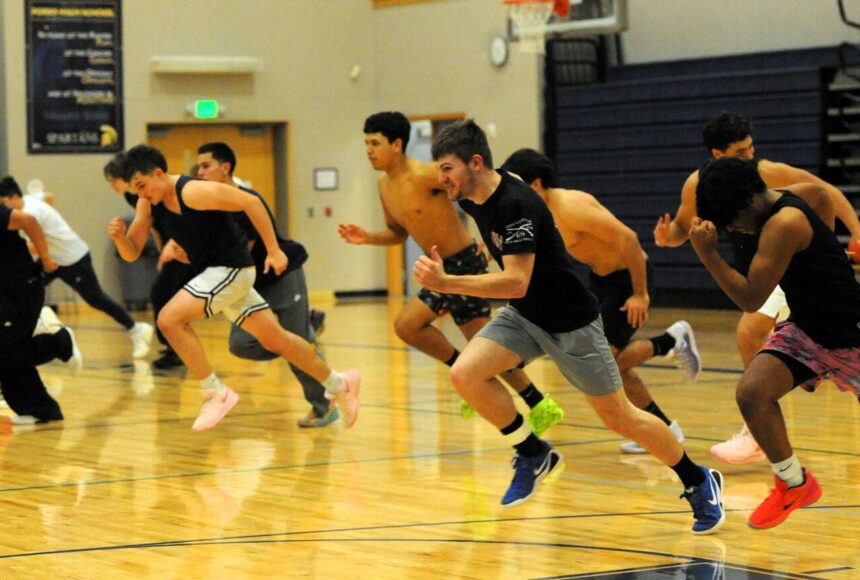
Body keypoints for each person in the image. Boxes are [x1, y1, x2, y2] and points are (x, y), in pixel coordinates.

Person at [415, 120, 724, 534]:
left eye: (447, 168)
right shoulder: (474, 196)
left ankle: (698, 479)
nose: (441, 179)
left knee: (621, 418)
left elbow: (516, 279)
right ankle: (532, 452)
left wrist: (446, 282)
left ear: (475, 162)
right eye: (438, 169)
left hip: (570, 322)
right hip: (525, 315)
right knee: (465, 373)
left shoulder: (515, 204)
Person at [654, 111, 860, 464]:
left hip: (781, 262)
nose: (750, 156)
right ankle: (764, 420)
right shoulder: (701, 185)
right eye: (740, 151)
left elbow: (823, 193)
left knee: (750, 326)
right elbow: (684, 225)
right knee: (752, 340)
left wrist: (848, 233)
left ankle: (785, 396)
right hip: (766, 269)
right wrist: (669, 238)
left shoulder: (767, 175)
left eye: (751, 148)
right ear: (717, 155)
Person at [339, 111, 563, 436]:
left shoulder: (425, 174)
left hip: (462, 262)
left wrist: (495, 232)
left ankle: (538, 403)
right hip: (439, 271)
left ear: (397, 144)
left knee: (480, 341)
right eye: (366, 143)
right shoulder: (383, 186)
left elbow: (475, 186)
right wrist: (368, 237)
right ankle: (509, 390)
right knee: (411, 327)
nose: (369, 150)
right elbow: (397, 233)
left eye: (375, 143)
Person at [110, 144, 359, 431]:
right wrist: (119, 238)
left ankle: (215, 392)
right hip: (217, 274)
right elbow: (132, 251)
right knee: (277, 340)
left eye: (142, 185)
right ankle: (340, 384)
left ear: (159, 173)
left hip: (233, 268)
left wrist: (274, 250)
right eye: (135, 189)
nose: (141, 194)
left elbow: (250, 202)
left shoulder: (192, 191)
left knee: (169, 319)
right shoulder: (147, 202)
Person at [690, 156, 860, 529]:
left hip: (852, 336)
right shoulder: (788, 195)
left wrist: (709, 255)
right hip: (810, 331)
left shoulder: (784, 224)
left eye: (732, 222)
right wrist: (828, 247)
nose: (736, 230)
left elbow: (751, 299)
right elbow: (821, 194)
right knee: (752, 392)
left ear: (750, 202)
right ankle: (793, 483)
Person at [500, 148, 700, 454]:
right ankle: (665, 426)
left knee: (608, 363)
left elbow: (629, 239)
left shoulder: (571, 207)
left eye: (518, 184)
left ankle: (669, 342)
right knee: (613, 366)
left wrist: (639, 293)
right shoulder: (538, 213)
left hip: (628, 279)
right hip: (600, 282)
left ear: (536, 183)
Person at [196, 141, 337, 427]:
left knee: (296, 348)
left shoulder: (244, 200)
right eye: (198, 166)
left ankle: (324, 407)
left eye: (206, 166)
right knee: (241, 344)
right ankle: (303, 334)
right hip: (250, 284)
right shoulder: (209, 204)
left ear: (225, 168)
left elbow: (240, 250)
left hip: (281, 277)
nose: (199, 172)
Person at [0, 176, 153, 360]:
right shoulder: (29, 200)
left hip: (73, 258)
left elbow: (35, 245)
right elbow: (49, 196)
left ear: (10, 198)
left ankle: (137, 328)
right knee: (27, 289)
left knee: (96, 298)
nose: (5, 210)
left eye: (3, 204)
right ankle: (40, 327)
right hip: (54, 259)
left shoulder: (30, 213)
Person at [104, 154, 189, 370]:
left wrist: (174, 245)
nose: (112, 186)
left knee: (163, 296)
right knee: (162, 295)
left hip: (183, 245)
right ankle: (174, 348)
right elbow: (151, 226)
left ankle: (177, 350)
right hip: (171, 247)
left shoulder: (161, 191)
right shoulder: (135, 197)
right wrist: (162, 251)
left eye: (113, 180)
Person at [0, 193, 74, 425]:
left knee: (7, 349)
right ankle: (40, 410)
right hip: (5, 292)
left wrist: (46, 257)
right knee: (7, 353)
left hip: (20, 288)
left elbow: (28, 221)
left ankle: (61, 341)